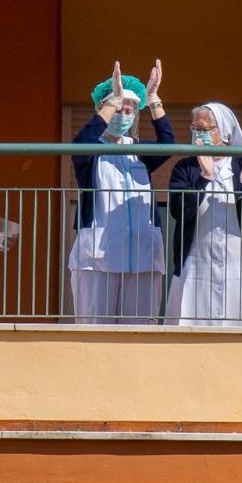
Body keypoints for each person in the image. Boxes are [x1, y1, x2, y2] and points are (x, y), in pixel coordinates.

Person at [68, 60, 174, 324]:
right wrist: (113, 101)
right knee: (95, 326)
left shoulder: (139, 150)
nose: (124, 112)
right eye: (119, 106)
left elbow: (168, 143)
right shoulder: (90, 151)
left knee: (140, 329)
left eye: (130, 108)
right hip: (98, 256)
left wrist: (152, 100)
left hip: (142, 254)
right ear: (103, 107)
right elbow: (80, 143)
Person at [165, 103, 242, 326]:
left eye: (204, 129)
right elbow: (179, 211)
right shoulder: (185, 168)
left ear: (224, 132)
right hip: (197, 266)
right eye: (194, 128)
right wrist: (204, 178)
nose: (197, 134)